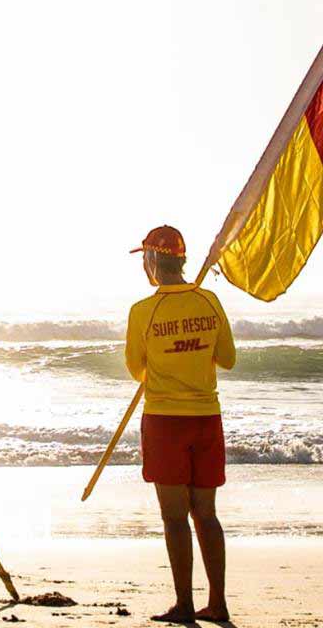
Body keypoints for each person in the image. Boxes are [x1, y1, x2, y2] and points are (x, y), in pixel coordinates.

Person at [125, 226, 236, 624]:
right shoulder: (209, 300)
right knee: (205, 513)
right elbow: (227, 359)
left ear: (153, 261)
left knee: (174, 517)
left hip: (166, 422)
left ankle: (185, 605)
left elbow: (137, 369)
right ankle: (218, 603)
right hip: (207, 418)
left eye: (145, 259)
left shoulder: (143, 310)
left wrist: (166, 358)